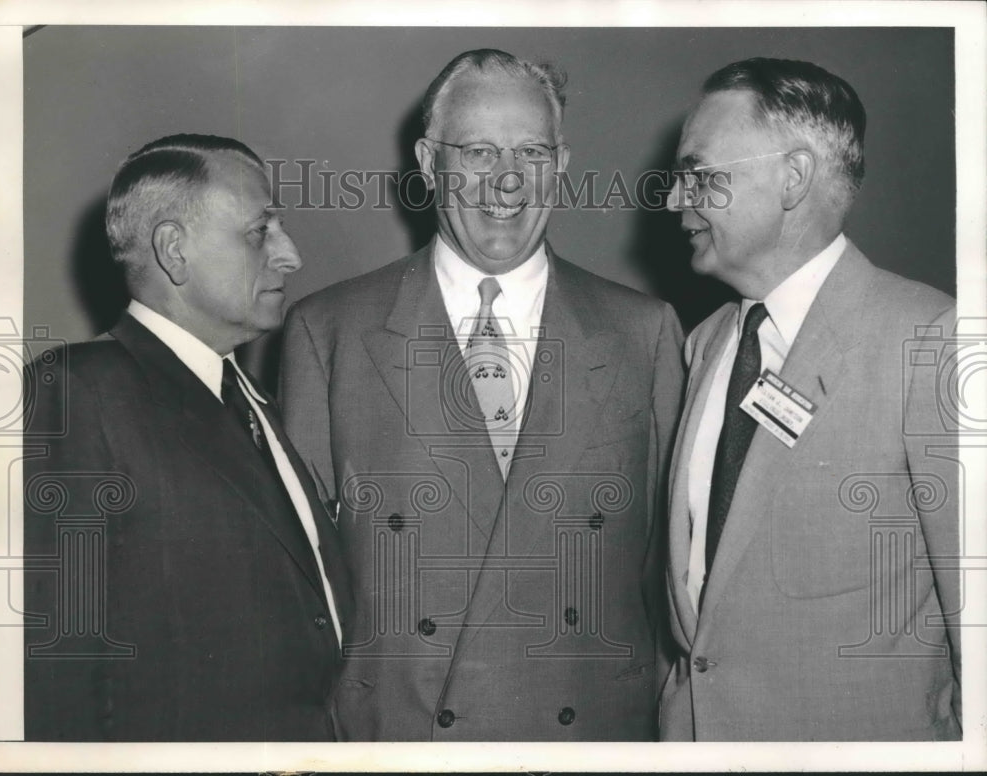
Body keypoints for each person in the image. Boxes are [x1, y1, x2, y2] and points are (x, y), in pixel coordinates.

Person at [280, 49, 685, 741]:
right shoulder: (330, 332)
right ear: (427, 161)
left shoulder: (644, 332)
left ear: (561, 164)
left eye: (530, 151)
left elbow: (667, 576)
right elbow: (301, 591)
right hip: (404, 736)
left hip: (590, 736)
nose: (506, 182)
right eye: (476, 152)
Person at [659, 57, 961, 741]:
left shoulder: (930, 341)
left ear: (793, 177)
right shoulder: (705, 344)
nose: (676, 201)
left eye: (699, 175)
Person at [22, 134, 352, 741]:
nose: (291, 255)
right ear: (174, 250)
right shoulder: (77, 391)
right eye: (260, 232)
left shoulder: (253, 401)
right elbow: (53, 669)